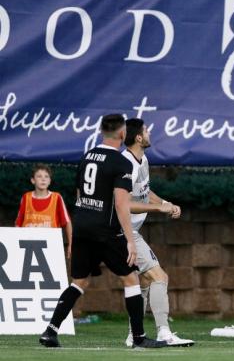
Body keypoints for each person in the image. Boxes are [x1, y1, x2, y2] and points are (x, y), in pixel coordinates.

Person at [39, 114, 166, 349]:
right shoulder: (120, 162)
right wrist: (129, 239)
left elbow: (79, 194)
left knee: (79, 281)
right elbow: (121, 204)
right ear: (121, 134)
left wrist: (79, 226)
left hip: (83, 227)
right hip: (105, 230)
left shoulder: (86, 157)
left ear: (101, 132)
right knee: (131, 279)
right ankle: (138, 337)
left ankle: (50, 331)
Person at [121, 118, 194, 347]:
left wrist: (166, 203)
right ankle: (164, 332)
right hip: (123, 231)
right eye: (146, 130)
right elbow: (122, 204)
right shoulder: (125, 164)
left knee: (143, 281)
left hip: (129, 230)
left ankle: (134, 334)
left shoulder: (142, 160)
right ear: (139, 137)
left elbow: (144, 191)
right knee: (159, 277)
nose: (150, 131)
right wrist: (158, 209)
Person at [15, 164, 73, 259]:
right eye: (39, 176)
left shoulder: (57, 198)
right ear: (33, 180)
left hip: (50, 247)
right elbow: (18, 223)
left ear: (50, 181)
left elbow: (67, 222)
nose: (43, 179)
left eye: (46, 176)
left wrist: (70, 244)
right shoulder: (26, 197)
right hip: (27, 246)